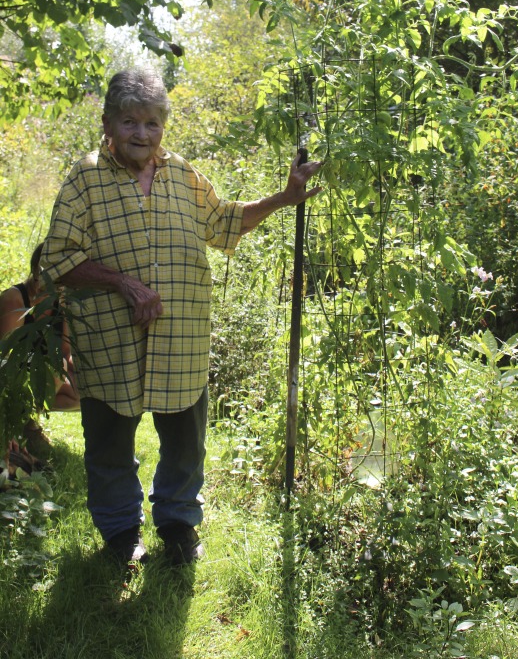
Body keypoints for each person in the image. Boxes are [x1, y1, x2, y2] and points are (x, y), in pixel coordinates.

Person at [41, 68, 321, 567]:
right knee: (108, 447)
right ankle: (121, 534)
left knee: (186, 445)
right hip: (109, 340)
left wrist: (283, 197)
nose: (141, 134)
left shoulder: (184, 175)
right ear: (107, 123)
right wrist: (123, 282)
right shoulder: (84, 178)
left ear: (163, 128)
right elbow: (59, 259)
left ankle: (177, 527)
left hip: (181, 340)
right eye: (129, 122)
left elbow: (224, 222)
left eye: (151, 123)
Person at [0, 243, 80, 471]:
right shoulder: (15, 300)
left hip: (43, 373)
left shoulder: (62, 301)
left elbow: (65, 351)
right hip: (16, 375)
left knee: (86, 391)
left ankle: (26, 423)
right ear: (35, 269)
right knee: (54, 372)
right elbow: (5, 359)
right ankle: (20, 425)